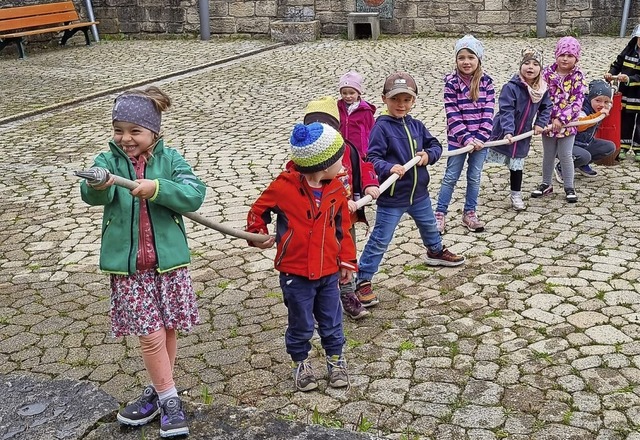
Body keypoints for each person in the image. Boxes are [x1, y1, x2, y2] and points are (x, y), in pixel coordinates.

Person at [80, 86, 206, 438]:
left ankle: (156, 391)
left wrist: (158, 188)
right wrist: (99, 183)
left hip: (169, 267)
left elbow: (195, 194)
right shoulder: (107, 161)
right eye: (119, 129)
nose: (126, 138)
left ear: (155, 131)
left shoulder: (172, 160)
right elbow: (89, 194)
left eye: (135, 131)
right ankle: (170, 401)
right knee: (150, 337)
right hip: (130, 269)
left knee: (167, 331)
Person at [246, 122, 357, 392]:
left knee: (332, 321)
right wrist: (257, 233)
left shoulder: (335, 189)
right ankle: (301, 362)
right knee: (301, 323)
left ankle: (335, 360)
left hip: (329, 271)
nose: (343, 163)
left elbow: (344, 227)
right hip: (295, 274)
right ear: (322, 164)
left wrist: (346, 261)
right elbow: (258, 211)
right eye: (338, 158)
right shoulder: (283, 187)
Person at [354, 72, 465, 306]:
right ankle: (363, 279)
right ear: (384, 99)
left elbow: (435, 145)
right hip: (393, 198)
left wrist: (428, 155)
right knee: (380, 239)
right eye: (395, 100)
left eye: (406, 100)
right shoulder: (381, 128)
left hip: (419, 194)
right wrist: (387, 167)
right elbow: (371, 158)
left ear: (414, 101)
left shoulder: (417, 125)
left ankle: (435, 251)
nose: (401, 105)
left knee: (429, 226)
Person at [303, 96, 380, 312]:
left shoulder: (347, 149)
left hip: (347, 218)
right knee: (324, 255)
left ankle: (348, 293)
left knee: (347, 252)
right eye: (314, 126)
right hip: (317, 221)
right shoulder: (304, 158)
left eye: (326, 125)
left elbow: (363, 167)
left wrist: (369, 185)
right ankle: (321, 296)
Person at [435, 35, 495, 233]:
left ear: (478, 59)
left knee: (474, 176)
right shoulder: (451, 83)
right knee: (451, 176)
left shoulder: (487, 82)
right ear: (456, 60)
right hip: (458, 140)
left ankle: (469, 212)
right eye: (462, 57)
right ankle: (440, 213)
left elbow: (489, 112)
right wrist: (467, 139)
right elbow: (452, 114)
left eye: (471, 57)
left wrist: (480, 138)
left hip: (481, 141)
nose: (466, 62)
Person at [486, 47, 552, 211]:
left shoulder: (542, 89)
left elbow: (546, 108)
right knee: (481, 157)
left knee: (517, 166)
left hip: (523, 136)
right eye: (527, 63)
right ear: (520, 66)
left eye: (535, 64)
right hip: (503, 132)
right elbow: (506, 110)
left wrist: (540, 123)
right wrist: (508, 130)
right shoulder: (511, 87)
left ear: (540, 69)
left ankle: (516, 195)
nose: (530, 67)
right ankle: (471, 185)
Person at [531, 36, 587, 203]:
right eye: (562, 54)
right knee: (548, 154)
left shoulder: (578, 76)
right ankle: (546, 183)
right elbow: (541, 97)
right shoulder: (547, 73)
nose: (565, 58)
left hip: (568, 123)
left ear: (576, 57)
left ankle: (569, 186)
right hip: (548, 123)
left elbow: (577, 102)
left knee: (565, 154)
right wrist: (544, 120)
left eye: (570, 56)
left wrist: (562, 119)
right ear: (556, 55)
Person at [554, 80, 615, 181]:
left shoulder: (599, 109)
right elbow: (580, 125)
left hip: (585, 142)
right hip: (567, 144)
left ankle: (581, 165)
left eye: (606, 102)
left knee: (609, 147)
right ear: (590, 98)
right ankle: (562, 167)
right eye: (598, 101)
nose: (602, 105)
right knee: (585, 156)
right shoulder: (581, 108)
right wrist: (598, 115)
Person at [604, 24, 640, 160]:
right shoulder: (629, 50)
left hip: (639, 94)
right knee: (625, 120)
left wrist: (629, 78)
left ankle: (638, 149)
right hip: (626, 93)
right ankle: (623, 146)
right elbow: (617, 64)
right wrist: (610, 73)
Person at [337, 71, 377, 158]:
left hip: (360, 151)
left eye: (351, 93)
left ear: (358, 93)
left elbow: (373, 129)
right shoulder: (338, 107)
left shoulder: (365, 110)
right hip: (342, 149)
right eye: (344, 93)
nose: (348, 96)